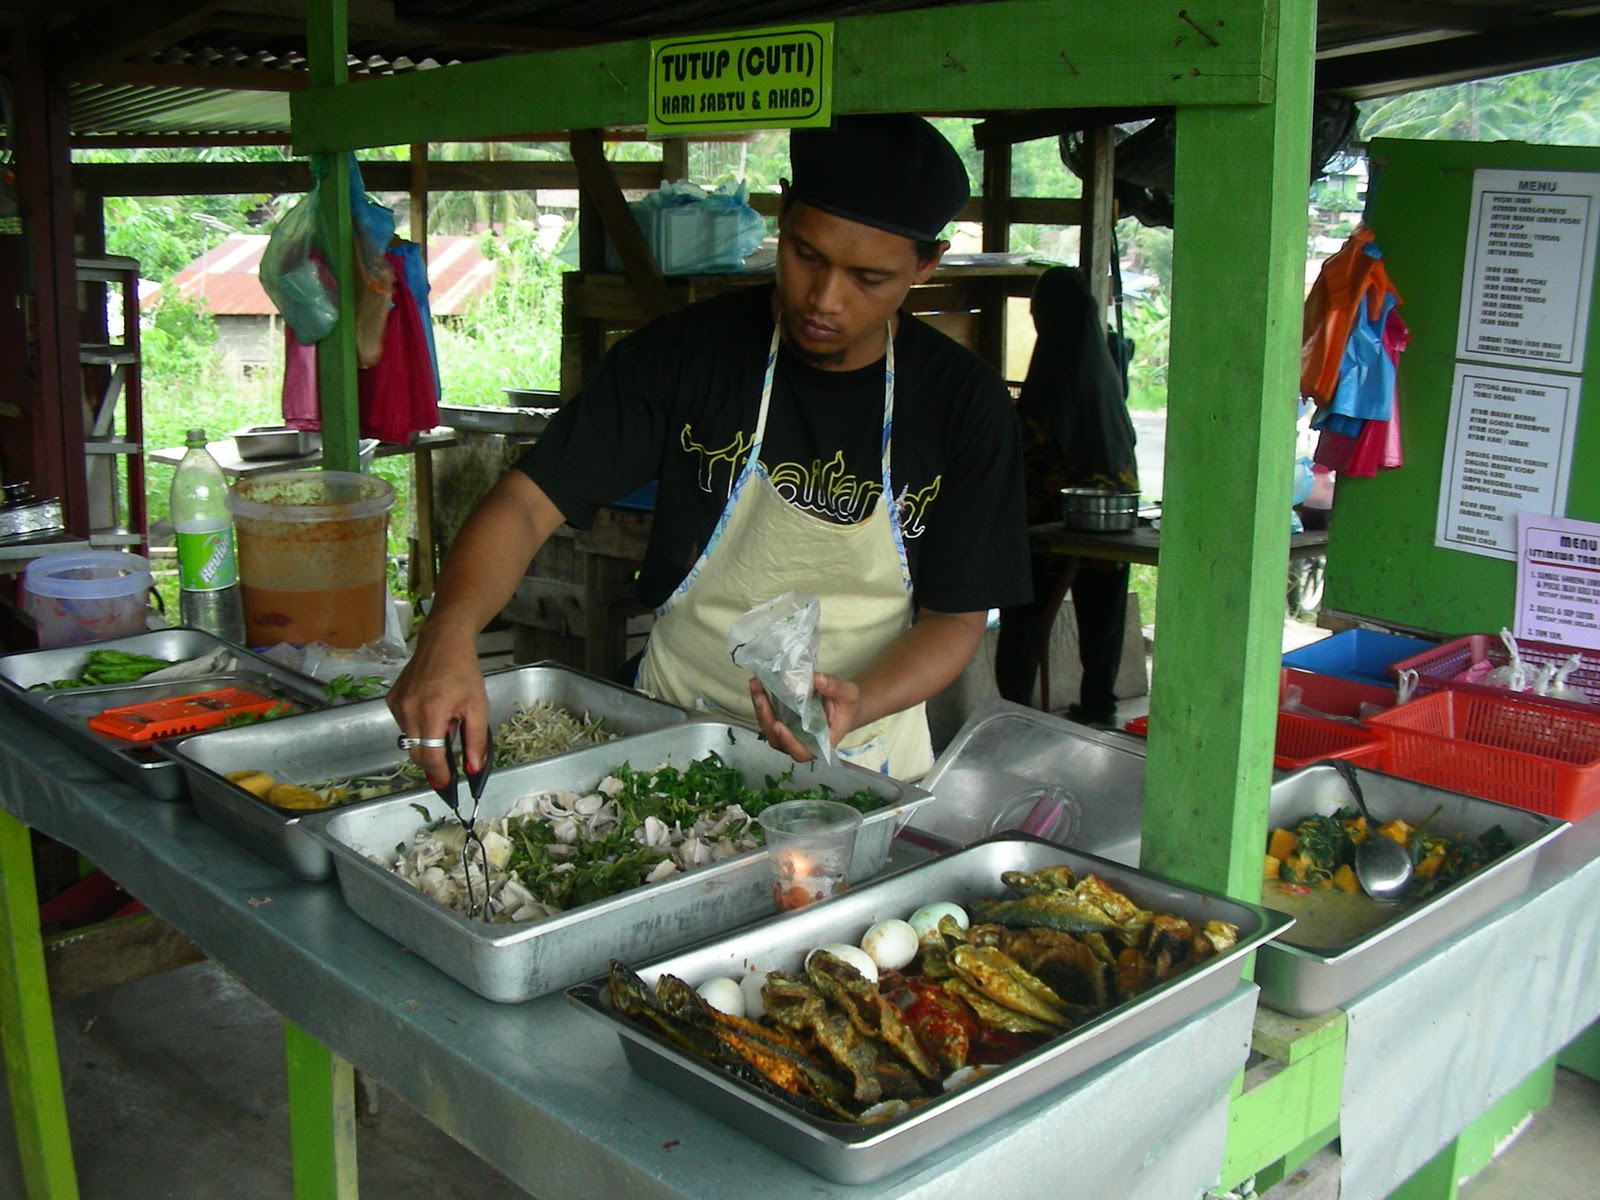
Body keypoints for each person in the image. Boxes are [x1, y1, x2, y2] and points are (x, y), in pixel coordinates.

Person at [388, 114, 1031, 782]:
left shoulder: (965, 406)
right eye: (806, 255)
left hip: (859, 755)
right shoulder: (684, 357)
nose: (825, 299)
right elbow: (527, 504)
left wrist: (858, 700)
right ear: (782, 217)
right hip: (673, 734)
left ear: (926, 263)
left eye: (868, 278)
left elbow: (955, 618)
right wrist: (449, 632)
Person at [993, 266, 1138, 727]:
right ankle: (1101, 705)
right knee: (1103, 617)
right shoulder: (1105, 373)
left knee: (1024, 617)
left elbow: (1033, 446)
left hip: (1056, 519)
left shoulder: (1054, 369)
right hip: (1112, 515)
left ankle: (1014, 710)